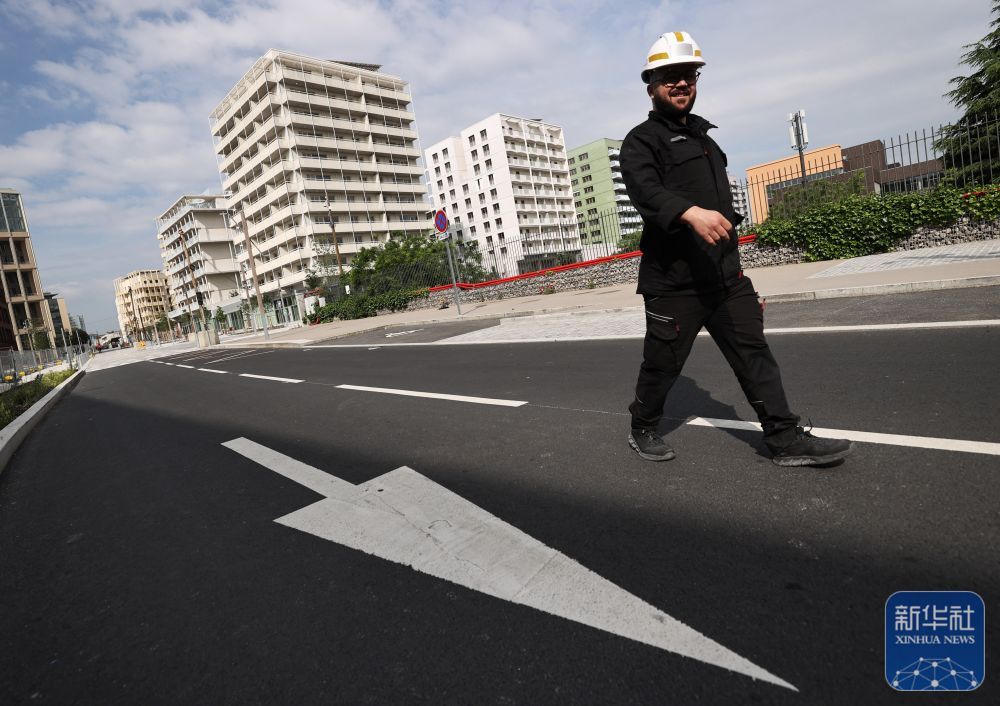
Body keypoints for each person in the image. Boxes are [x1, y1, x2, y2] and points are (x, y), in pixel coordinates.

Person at [621, 30, 854, 467]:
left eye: (689, 74)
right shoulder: (641, 141)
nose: (682, 82)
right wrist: (690, 213)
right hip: (674, 284)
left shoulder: (706, 140)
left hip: (726, 278)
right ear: (651, 84)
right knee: (662, 366)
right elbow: (645, 191)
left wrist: (732, 250)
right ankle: (643, 424)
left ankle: (784, 439)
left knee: (754, 355)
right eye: (670, 75)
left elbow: (721, 206)